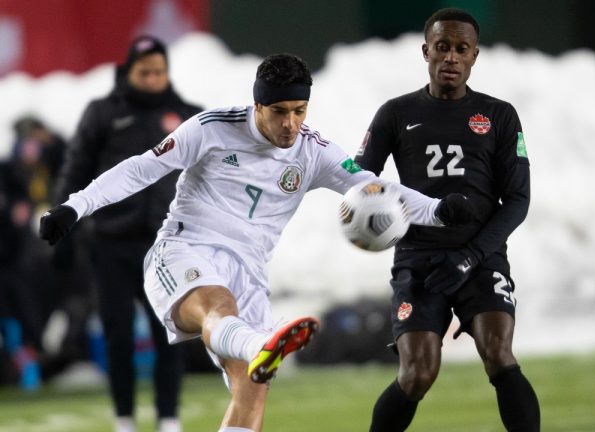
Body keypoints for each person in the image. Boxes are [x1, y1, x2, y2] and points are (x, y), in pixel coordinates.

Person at [40, 53, 474, 432]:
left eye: (300, 111)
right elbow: (140, 168)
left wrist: (438, 210)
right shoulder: (211, 128)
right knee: (219, 306)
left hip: (249, 272)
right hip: (185, 250)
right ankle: (255, 344)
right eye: (280, 111)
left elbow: (373, 188)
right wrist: (74, 207)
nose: (290, 123)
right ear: (258, 105)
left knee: (252, 387)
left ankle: (255, 350)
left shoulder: (312, 151)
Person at [354, 8, 541, 432]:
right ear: (426, 52)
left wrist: (471, 256)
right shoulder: (395, 113)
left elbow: (517, 200)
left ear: (475, 55)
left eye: (461, 48)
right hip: (418, 259)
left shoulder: (499, 115)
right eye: (442, 47)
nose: (451, 57)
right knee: (417, 374)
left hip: (481, 257)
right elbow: (361, 182)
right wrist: (375, 216)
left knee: (499, 354)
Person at [54, 35, 203, 432]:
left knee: (170, 331)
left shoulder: (188, 117)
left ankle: (169, 417)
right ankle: (124, 418)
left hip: (168, 245)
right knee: (117, 335)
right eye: (145, 72)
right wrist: (63, 223)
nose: (153, 79)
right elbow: (76, 170)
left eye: (159, 72)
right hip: (111, 243)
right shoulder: (103, 114)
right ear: (128, 72)